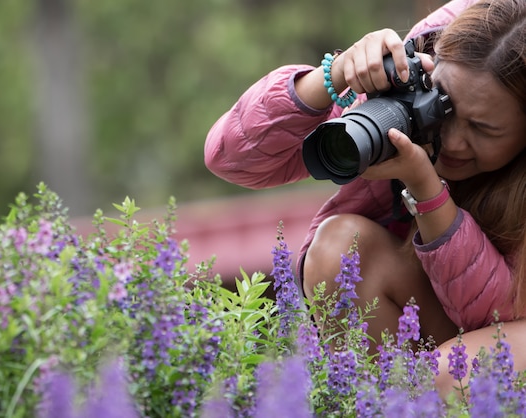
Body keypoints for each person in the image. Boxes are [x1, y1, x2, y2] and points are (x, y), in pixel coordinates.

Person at [204, 0, 526, 397]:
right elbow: (233, 160)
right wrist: (335, 75)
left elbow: (498, 315)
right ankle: (376, 403)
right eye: (445, 107)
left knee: (450, 375)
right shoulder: (421, 70)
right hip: (452, 312)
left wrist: (426, 189)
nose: (453, 140)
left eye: (483, 128)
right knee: (344, 247)